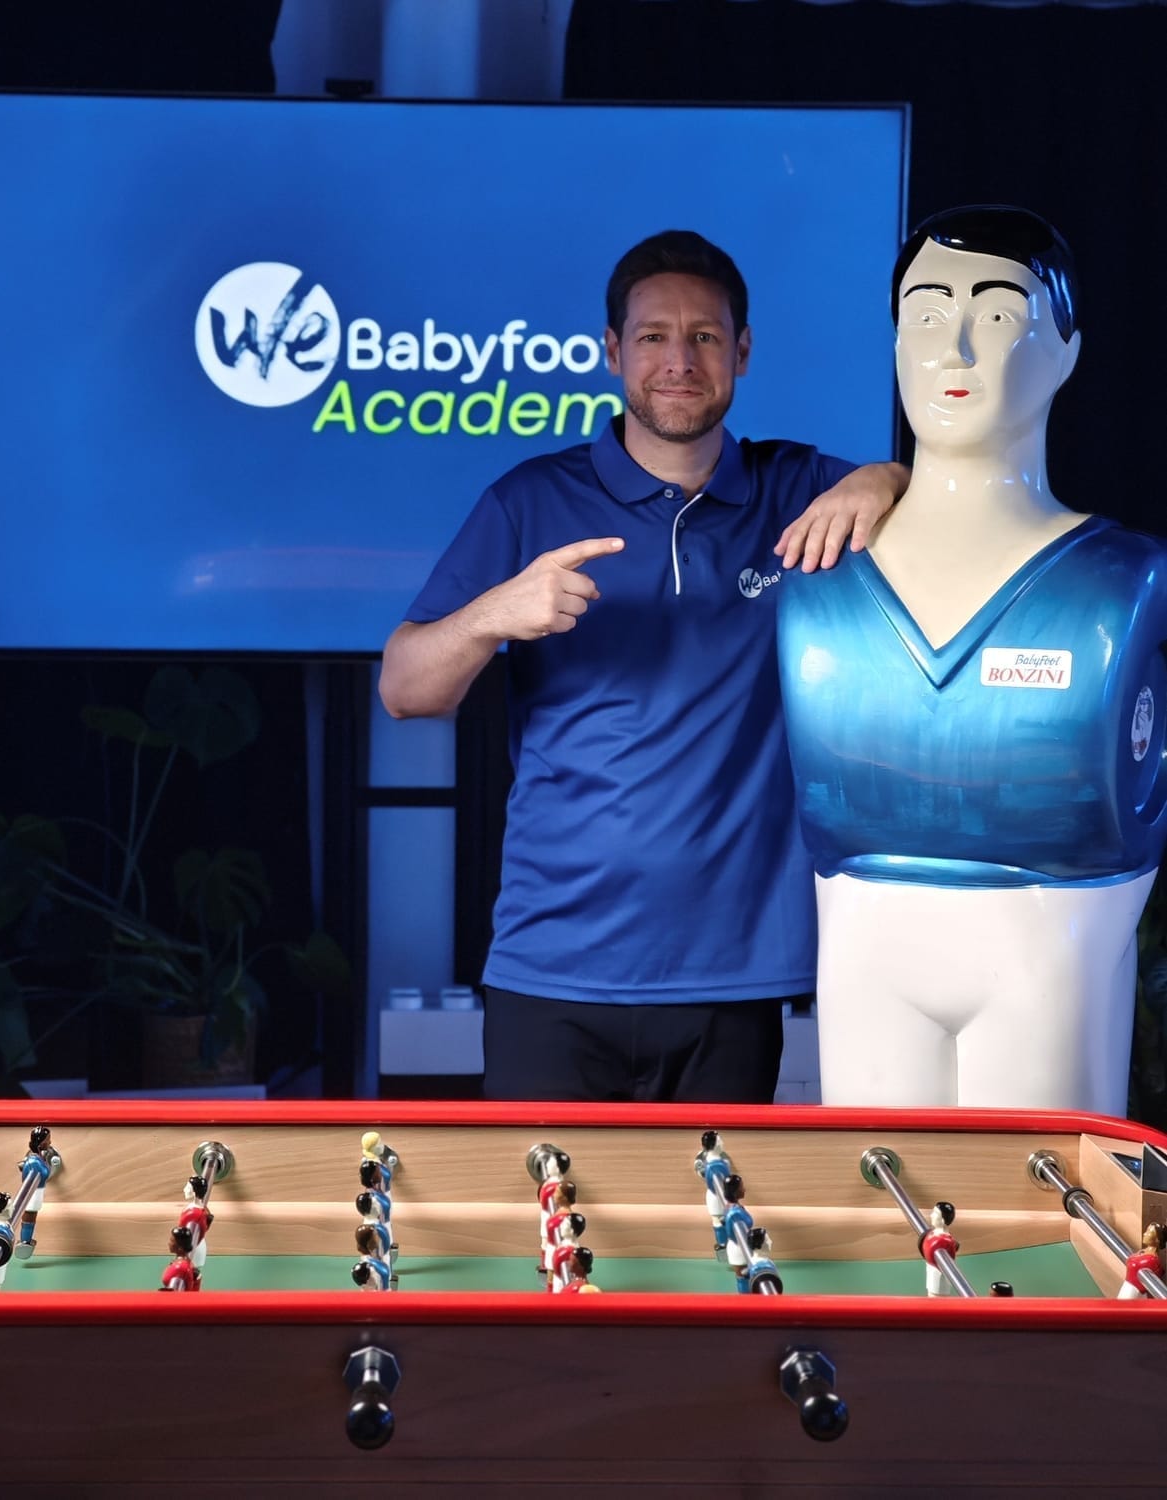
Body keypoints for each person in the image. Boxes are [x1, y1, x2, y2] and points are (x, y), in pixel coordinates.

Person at [379, 229, 908, 1103]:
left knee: (714, 1203)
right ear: (612, 351)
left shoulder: (795, 489)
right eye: (654, 336)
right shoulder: (529, 499)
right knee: (544, 1201)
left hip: (732, 979)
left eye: (704, 337)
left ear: (741, 351)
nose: (679, 361)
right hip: (552, 971)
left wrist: (882, 478)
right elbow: (404, 690)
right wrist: (492, 615)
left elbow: (952, 508)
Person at [777, 205, 1167, 1113]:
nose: (951, 348)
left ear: (1064, 350)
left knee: (1037, 1196)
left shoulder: (1120, 581)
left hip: (1053, 945)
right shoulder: (818, 579)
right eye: (924, 315)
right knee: (879, 1188)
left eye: (995, 315)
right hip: (865, 949)